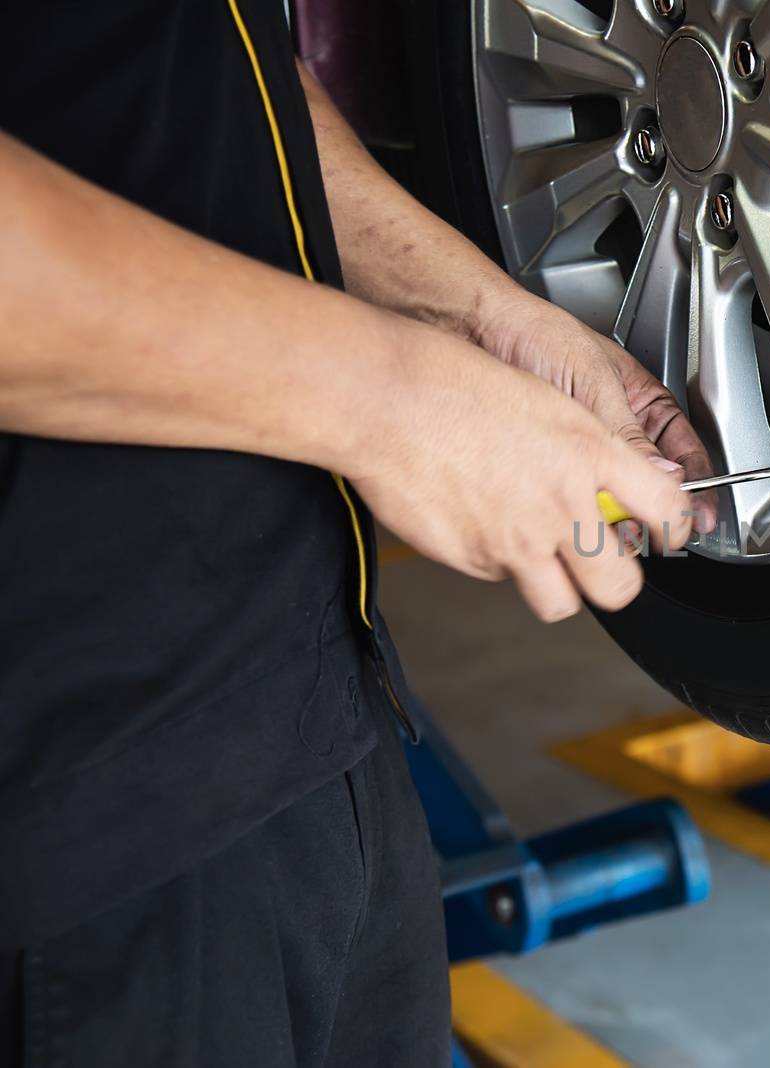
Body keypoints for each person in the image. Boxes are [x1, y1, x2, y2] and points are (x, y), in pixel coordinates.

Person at [0, 1, 715, 1063]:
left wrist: (475, 316)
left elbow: (207, 74)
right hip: (72, 819)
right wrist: (390, 402)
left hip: (310, 719)